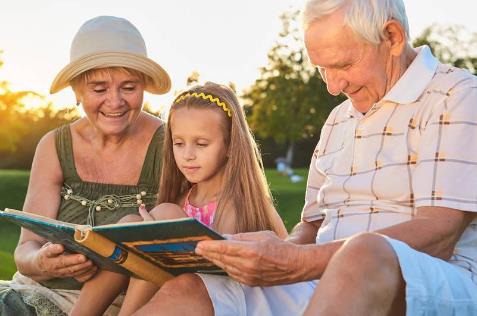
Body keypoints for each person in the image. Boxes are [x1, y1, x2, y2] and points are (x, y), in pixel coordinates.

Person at [134, 0, 477, 315]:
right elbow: (310, 227)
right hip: (321, 276)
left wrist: (300, 260)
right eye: (321, 69)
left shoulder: (456, 96)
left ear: (392, 36)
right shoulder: (339, 120)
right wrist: (278, 250)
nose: (331, 86)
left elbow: (439, 232)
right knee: (192, 291)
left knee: (364, 253)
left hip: (438, 280)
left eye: (343, 64)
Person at [67, 81, 288, 315]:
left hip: (218, 301)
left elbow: (287, 263)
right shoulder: (183, 199)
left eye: (201, 144)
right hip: (168, 294)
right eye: (178, 143)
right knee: (130, 224)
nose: (188, 155)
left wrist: (159, 244)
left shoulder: (241, 205)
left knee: (163, 219)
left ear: (230, 146)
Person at [0, 15, 171, 316]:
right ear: (77, 91)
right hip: (36, 294)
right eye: (99, 88)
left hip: (120, 306)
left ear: (144, 87)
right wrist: (42, 261)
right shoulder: (54, 146)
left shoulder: (171, 145)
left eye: (128, 87)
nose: (115, 101)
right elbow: (26, 250)